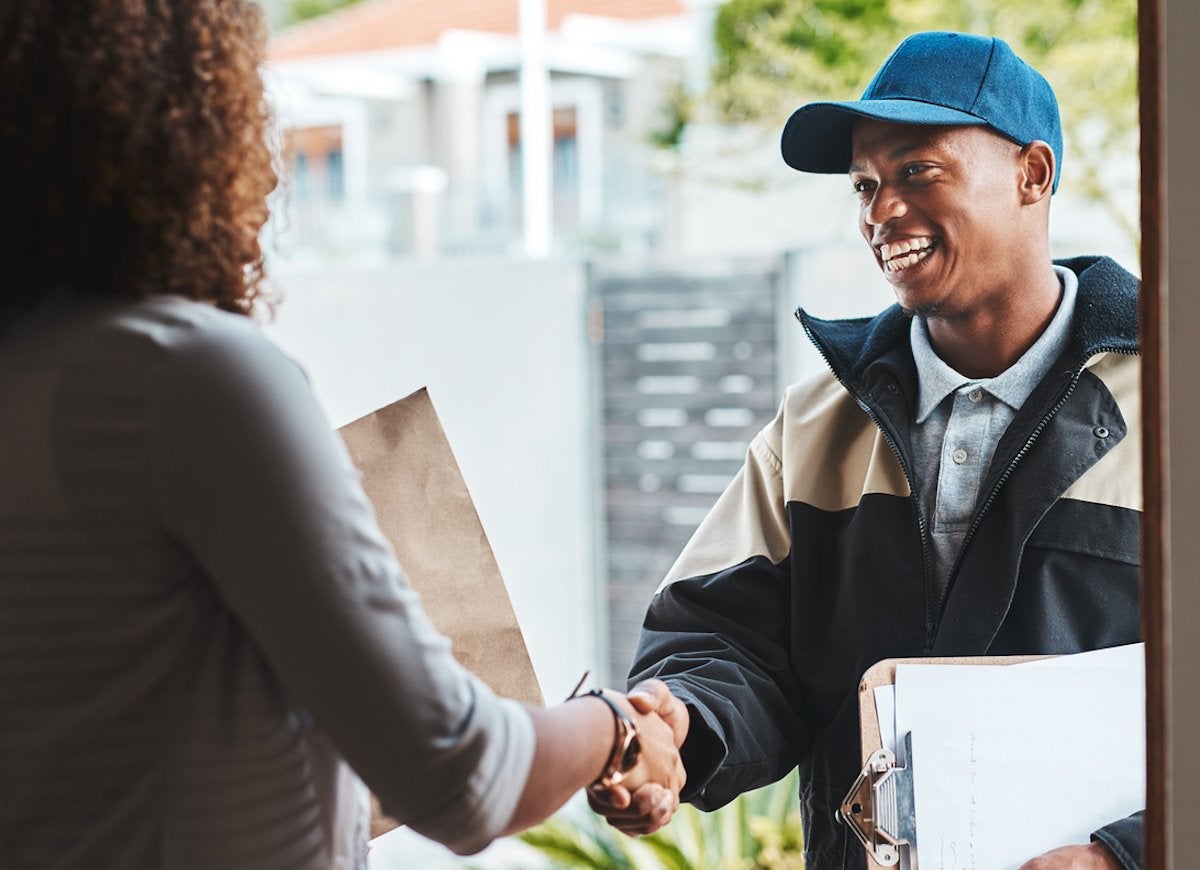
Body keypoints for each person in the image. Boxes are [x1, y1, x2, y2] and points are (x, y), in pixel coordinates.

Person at [0, 2, 686, 868]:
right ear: (185, 122)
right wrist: (616, 726)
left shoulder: (35, 375)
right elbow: (463, 776)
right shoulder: (185, 378)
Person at [590, 31, 1142, 870]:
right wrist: (682, 727)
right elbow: (724, 645)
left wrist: (1129, 854)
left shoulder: (1170, 408)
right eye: (865, 185)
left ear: (1033, 174)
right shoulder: (815, 428)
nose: (878, 212)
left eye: (917, 170)